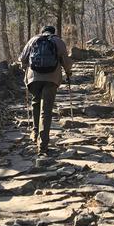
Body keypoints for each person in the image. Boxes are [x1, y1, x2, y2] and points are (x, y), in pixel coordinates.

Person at [19, 25, 73, 156]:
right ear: (53, 33)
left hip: (33, 78)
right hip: (51, 78)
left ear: (42, 32)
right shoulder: (58, 42)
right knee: (46, 111)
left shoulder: (33, 40)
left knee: (36, 103)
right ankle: (43, 145)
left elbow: (22, 59)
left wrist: (24, 68)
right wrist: (68, 73)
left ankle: (35, 133)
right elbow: (66, 61)